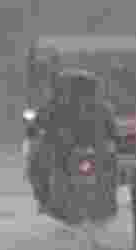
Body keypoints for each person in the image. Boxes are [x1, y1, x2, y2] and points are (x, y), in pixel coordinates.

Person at [31, 69, 117, 215]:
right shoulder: (102, 107)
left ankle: (45, 200)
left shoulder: (54, 105)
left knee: (37, 167)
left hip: (66, 152)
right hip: (89, 152)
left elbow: (39, 123)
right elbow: (112, 131)